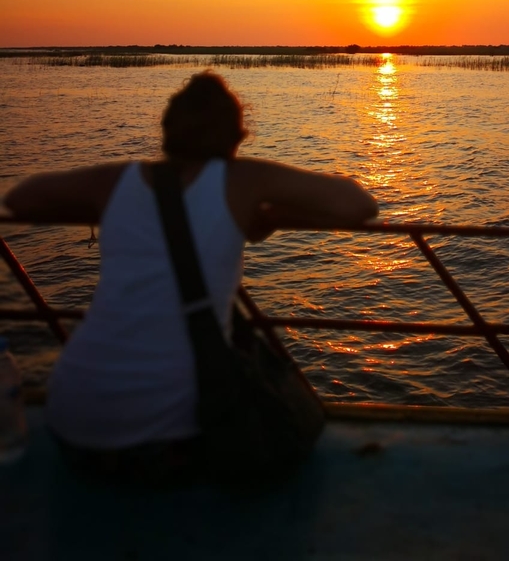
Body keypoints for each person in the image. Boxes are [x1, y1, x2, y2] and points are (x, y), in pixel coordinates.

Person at [4, 71, 378, 481]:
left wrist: (104, 210)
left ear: (167, 131)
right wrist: (267, 216)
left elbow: (20, 199)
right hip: (166, 447)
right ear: (236, 137)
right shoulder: (242, 179)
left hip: (73, 426)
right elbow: (357, 205)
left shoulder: (117, 180)